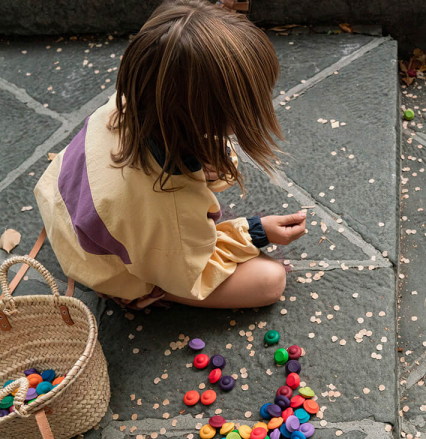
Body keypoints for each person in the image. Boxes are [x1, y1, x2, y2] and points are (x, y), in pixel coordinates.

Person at [34, 0, 306, 310]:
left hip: (63, 204)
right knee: (270, 280)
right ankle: (135, 293)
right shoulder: (169, 202)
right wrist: (254, 232)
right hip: (101, 264)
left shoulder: (133, 98)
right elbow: (189, 273)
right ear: (206, 117)